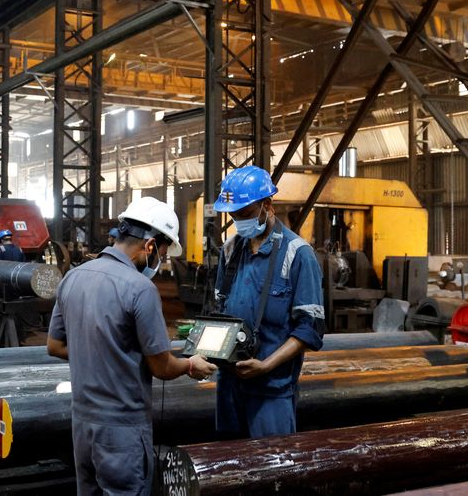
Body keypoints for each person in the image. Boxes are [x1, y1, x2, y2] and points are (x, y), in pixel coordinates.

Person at [47, 196, 217, 496]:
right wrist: (191, 365)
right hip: (121, 430)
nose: (159, 262)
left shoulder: (73, 277)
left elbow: (54, 345)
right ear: (150, 246)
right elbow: (162, 366)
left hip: (83, 424)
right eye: (162, 254)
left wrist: (100, 352)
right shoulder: (140, 289)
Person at [212, 165, 325, 439]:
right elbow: (220, 312)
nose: (239, 221)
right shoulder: (230, 251)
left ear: (267, 205)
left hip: (271, 392)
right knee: (228, 467)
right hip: (228, 387)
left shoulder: (298, 254)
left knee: (272, 468)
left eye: (246, 214)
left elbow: (309, 329)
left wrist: (266, 365)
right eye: (234, 216)